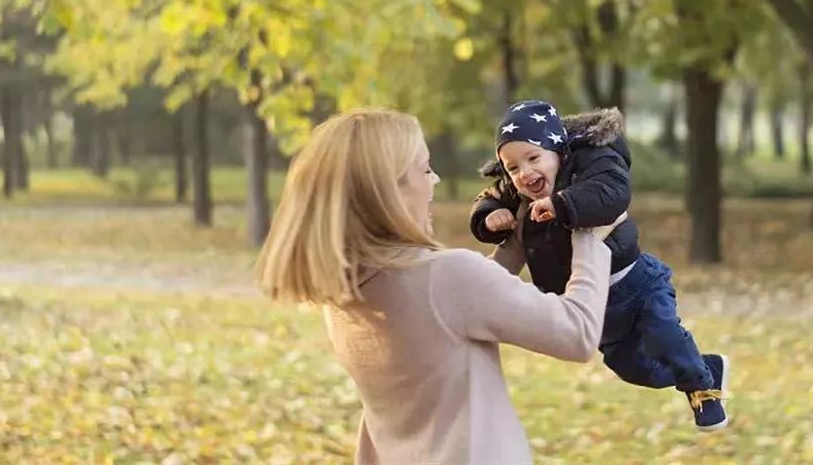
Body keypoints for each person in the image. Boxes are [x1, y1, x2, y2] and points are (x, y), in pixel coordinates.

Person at [255, 109, 623, 464]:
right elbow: (576, 333)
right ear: (389, 191)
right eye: (425, 168)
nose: (435, 180)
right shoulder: (446, 277)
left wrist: (517, 241)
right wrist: (588, 234)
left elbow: (456, 308)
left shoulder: (344, 291)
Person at [470, 100, 729, 431]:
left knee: (664, 337)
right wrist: (489, 216)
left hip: (637, 285)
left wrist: (562, 204)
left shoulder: (592, 162)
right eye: (512, 167)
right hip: (596, 305)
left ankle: (702, 388)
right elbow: (488, 196)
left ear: (558, 150)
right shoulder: (518, 190)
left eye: (533, 159)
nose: (524, 173)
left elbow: (611, 194)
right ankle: (704, 367)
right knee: (634, 369)